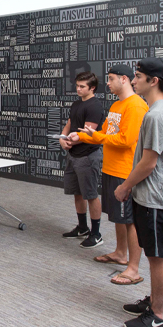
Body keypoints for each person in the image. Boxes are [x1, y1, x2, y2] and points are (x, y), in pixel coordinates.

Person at [116, 58, 163, 327]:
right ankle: (155, 301)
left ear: (153, 81)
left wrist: (124, 186)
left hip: (156, 199)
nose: (133, 81)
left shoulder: (156, 115)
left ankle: (158, 316)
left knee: (157, 256)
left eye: (138, 76)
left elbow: (148, 162)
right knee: (155, 253)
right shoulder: (159, 110)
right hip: (152, 197)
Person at [69, 64, 148, 286]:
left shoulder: (135, 106)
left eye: (112, 79)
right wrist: (82, 137)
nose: (108, 83)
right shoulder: (116, 105)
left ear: (124, 79)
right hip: (111, 168)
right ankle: (120, 253)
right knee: (118, 217)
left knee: (129, 220)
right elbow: (105, 133)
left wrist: (95, 137)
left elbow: (125, 140)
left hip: (125, 171)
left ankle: (133, 268)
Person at [58, 72, 106, 248]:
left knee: (91, 194)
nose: (78, 89)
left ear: (92, 88)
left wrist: (72, 139)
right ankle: (82, 227)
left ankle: (96, 233)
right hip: (74, 155)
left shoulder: (95, 106)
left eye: (82, 86)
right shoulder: (77, 103)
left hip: (88, 156)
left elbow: (88, 132)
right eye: (77, 85)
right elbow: (70, 123)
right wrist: (62, 138)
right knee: (78, 193)